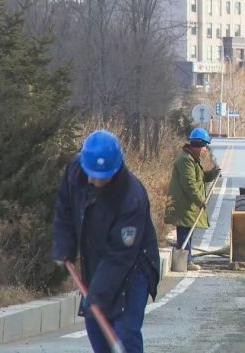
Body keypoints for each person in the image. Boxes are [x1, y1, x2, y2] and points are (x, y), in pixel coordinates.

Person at [52, 130, 160, 353]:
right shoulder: (74, 172)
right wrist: (64, 246)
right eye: (91, 173)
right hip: (96, 258)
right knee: (98, 334)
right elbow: (64, 209)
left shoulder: (132, 197)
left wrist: (96, 295)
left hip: (134, 266)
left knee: (124, 333)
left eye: (101, 176)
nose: (94, 180)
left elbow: (120, 256)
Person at [165, 127, 220, 271]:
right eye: (204, 146)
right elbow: (189, 184)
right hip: (184, 203)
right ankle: (186, 261)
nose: (205, 149)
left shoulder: (193, 158)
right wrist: (200, 200)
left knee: (187, 230)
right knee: (184, 230)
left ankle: (187, 258)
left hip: (188, 203)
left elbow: (200, 178)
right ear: (197, 145)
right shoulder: (185, 160)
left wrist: (213, 173)